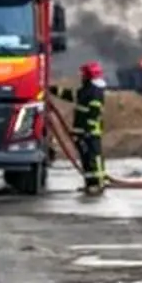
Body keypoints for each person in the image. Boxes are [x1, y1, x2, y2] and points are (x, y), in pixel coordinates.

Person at [50, 62, 107, 195]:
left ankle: (98, 183)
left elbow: (94, 113)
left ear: (88, 75)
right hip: (83, 130)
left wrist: (87, 131)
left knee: (94, 157)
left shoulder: (94, 91)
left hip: (90, 131)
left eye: (83, 74)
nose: (81, 76)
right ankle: (89, 183)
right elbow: (72, 95)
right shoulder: (87, 89)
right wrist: (53, 90)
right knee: (86, 158)